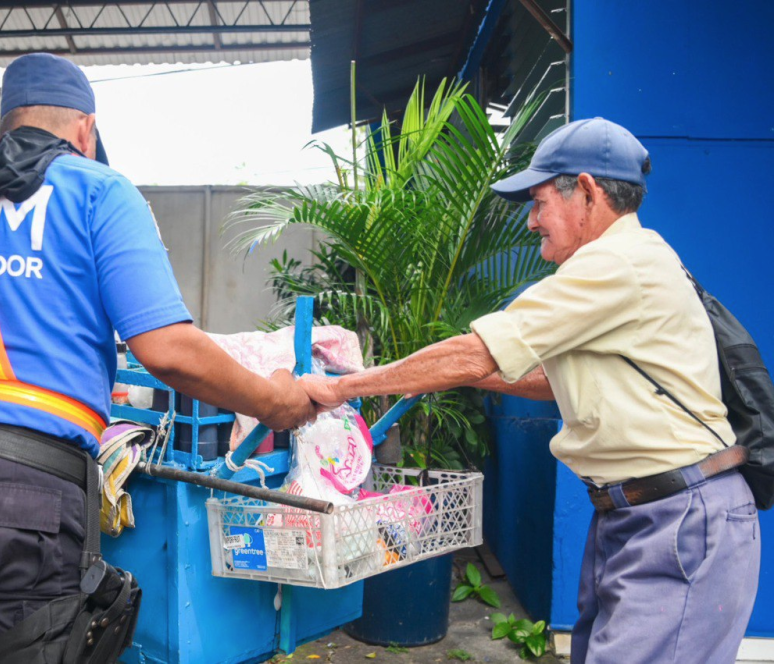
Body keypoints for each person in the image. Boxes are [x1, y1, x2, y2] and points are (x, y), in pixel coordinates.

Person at [0, 52, 316, 663]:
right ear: (86, 130)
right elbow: (167, 350)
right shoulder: (99, 190)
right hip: (19, 498)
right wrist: (274, 401)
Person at [300, 118, 761, 664]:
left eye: (540, 201)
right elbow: (552, 380)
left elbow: (476, 351)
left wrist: (338, 389)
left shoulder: (615, 263)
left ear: (587, 192)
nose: (532, 220)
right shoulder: (637, 260)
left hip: (676, 519)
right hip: (641, 514)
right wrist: (453, 374)